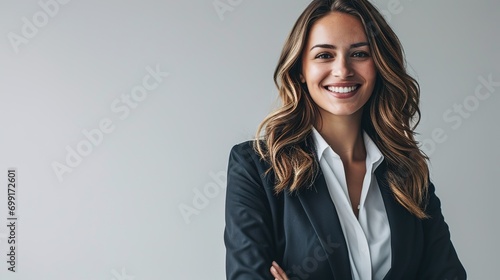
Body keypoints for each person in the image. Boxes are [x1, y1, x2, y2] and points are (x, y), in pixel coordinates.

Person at [224, 0, 466, 279]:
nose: (343, 70)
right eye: (324, 55)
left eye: (360, 54)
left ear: (379, 65)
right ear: (300, 69)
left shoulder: (409, 174)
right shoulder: (256, 167)